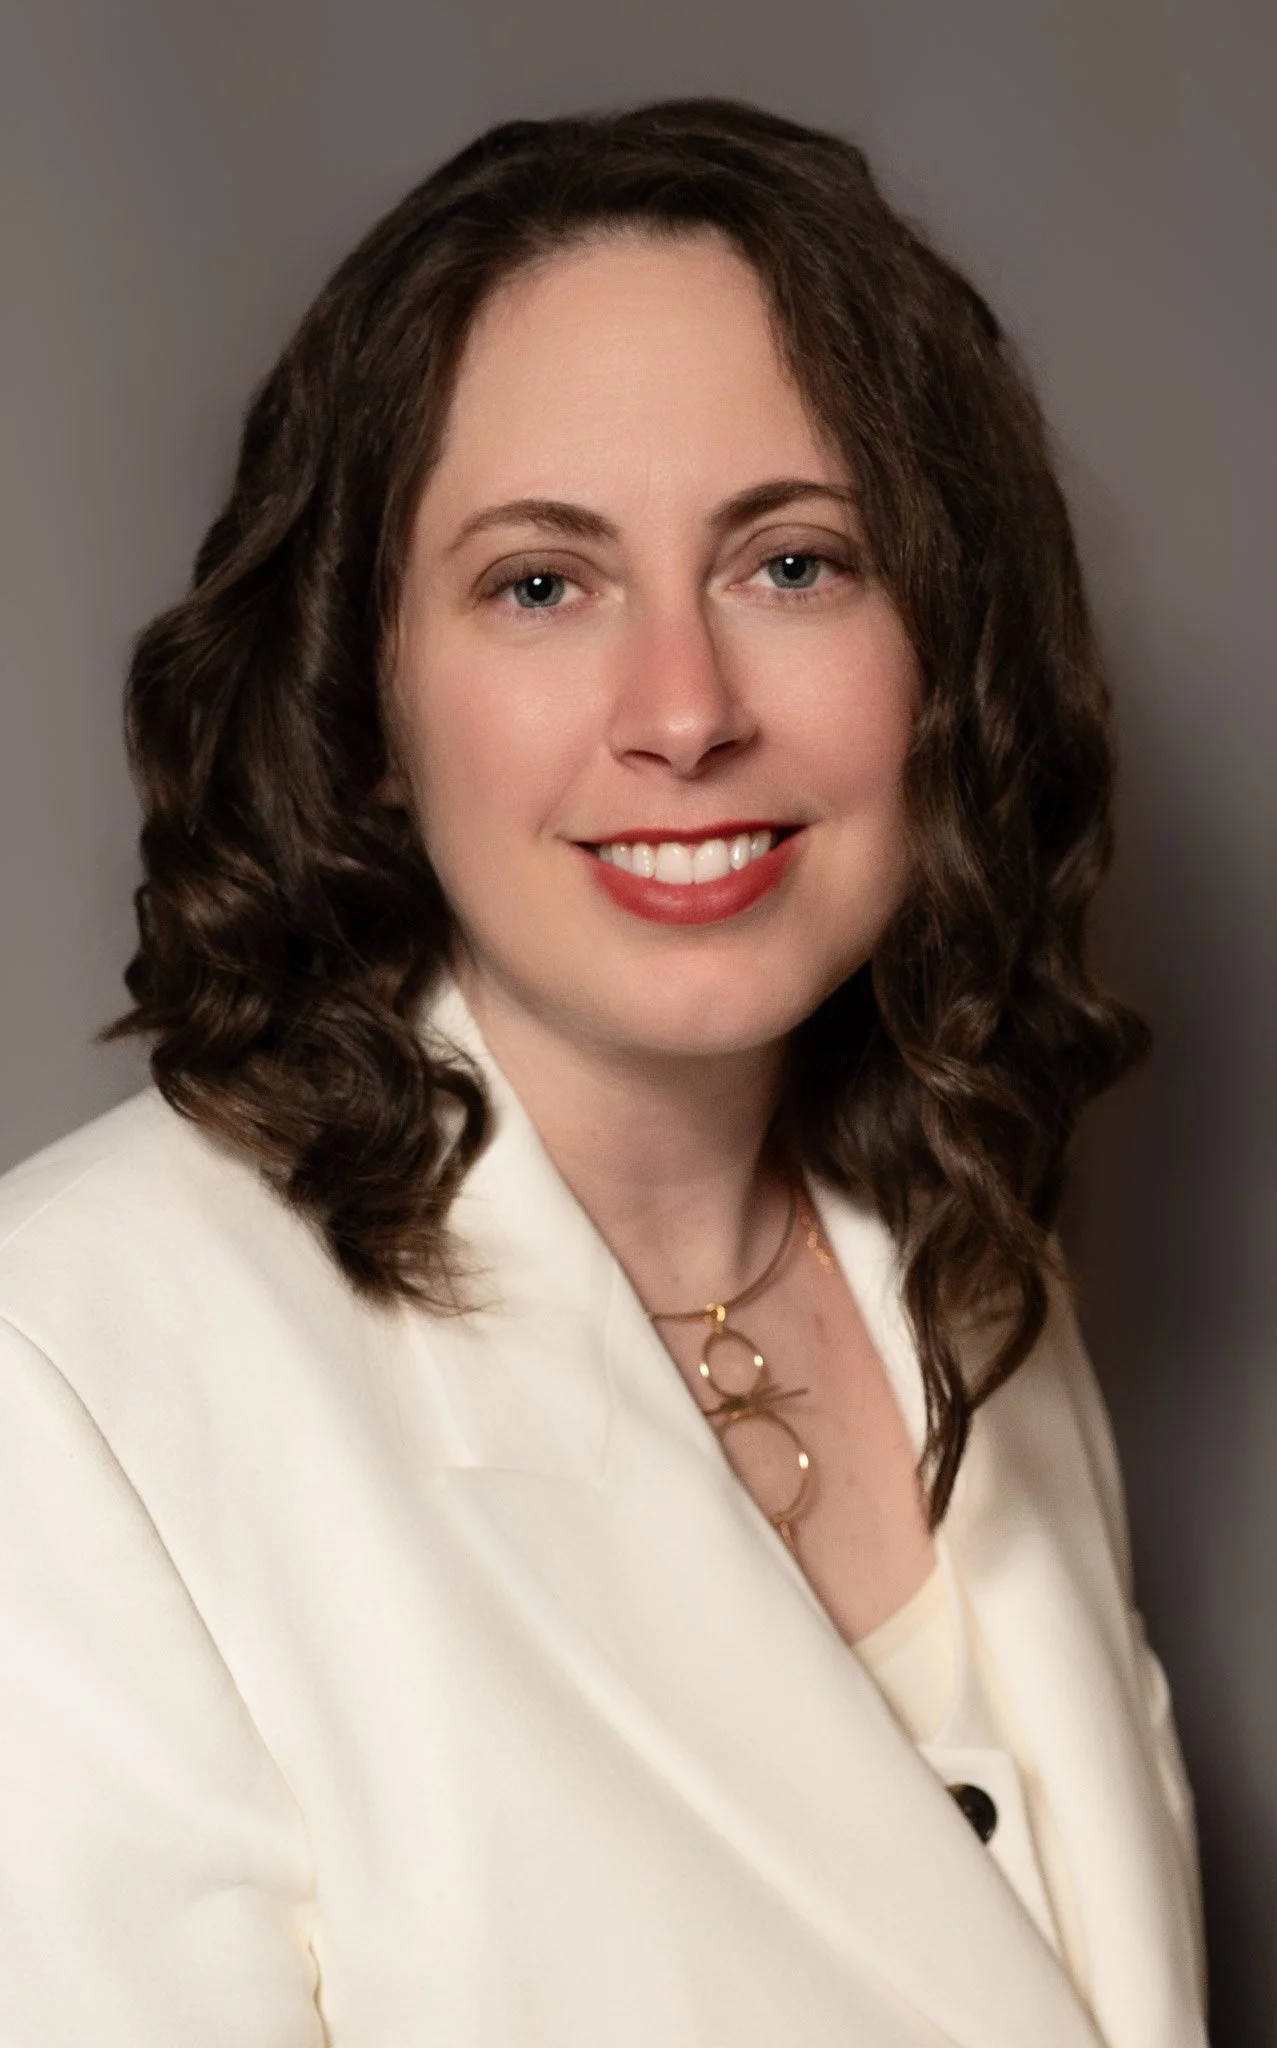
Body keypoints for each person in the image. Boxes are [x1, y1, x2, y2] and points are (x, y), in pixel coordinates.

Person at [0, 98, 1206, 2048]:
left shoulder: (975, 1282)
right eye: (541, 584)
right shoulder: (66, 1380)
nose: (684, 713)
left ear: (946, 649)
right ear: (363, 698)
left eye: (794, 563)